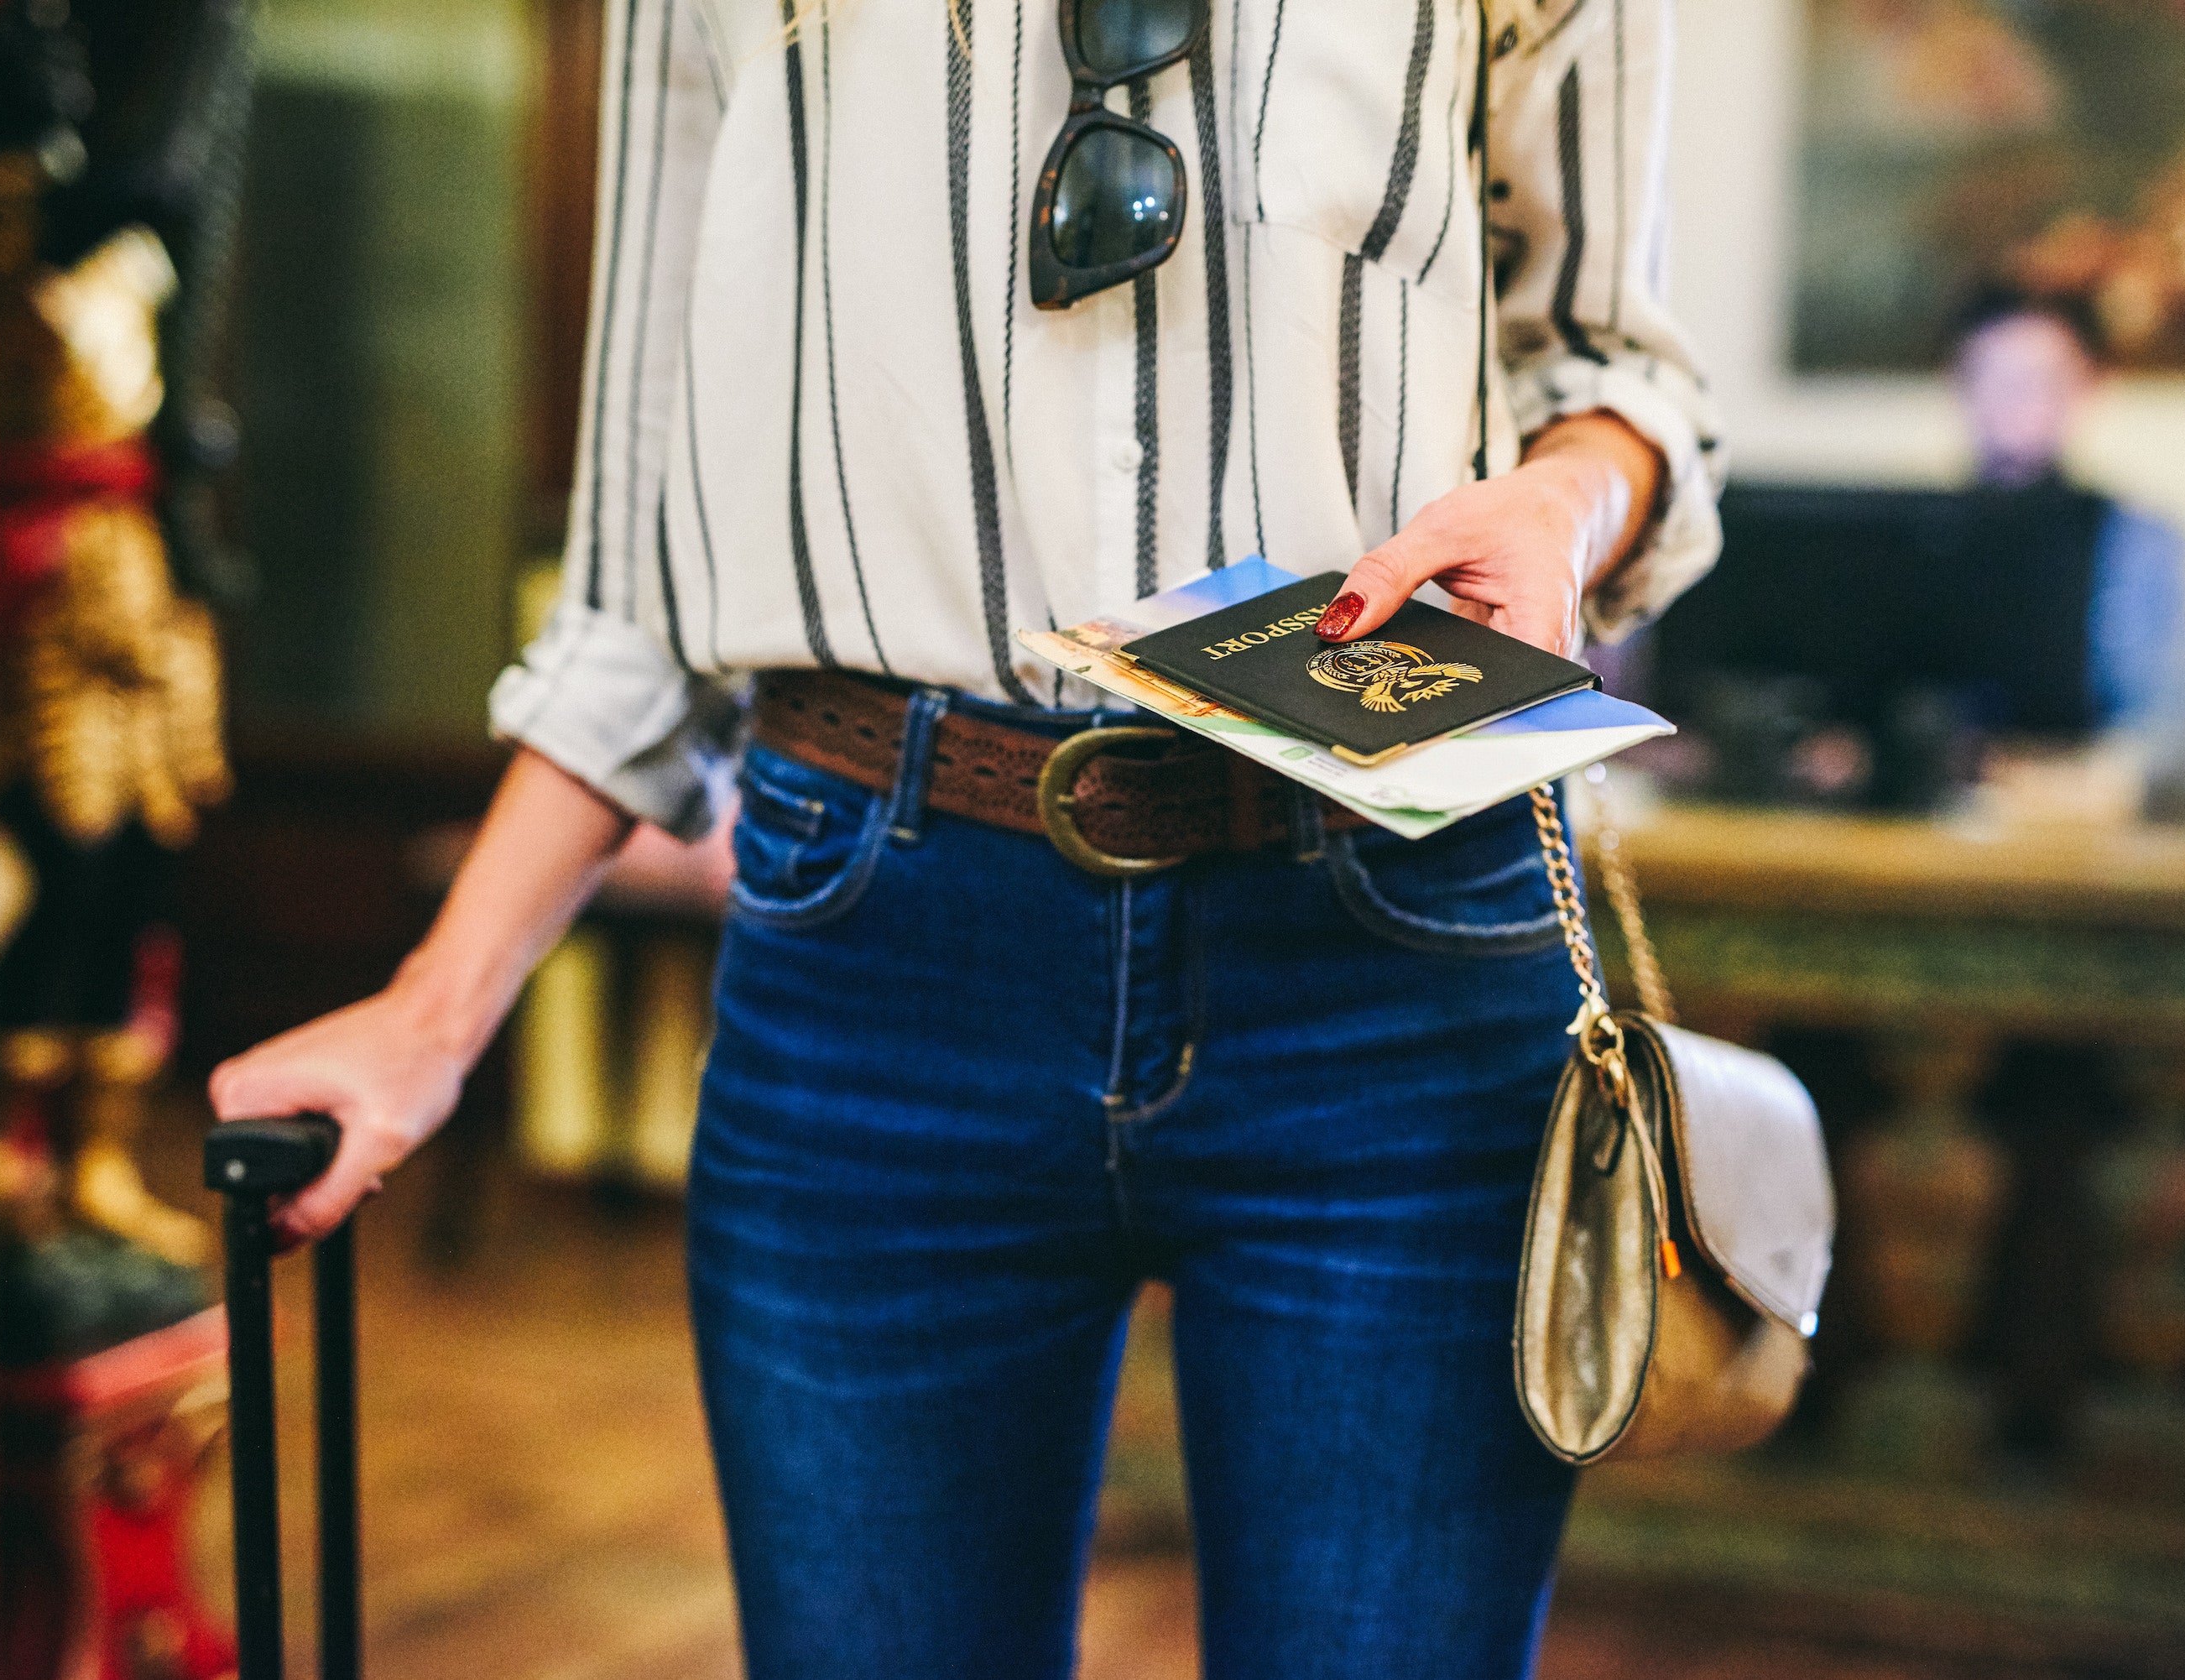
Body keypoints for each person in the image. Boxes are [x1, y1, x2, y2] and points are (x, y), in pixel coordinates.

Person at [209, 3, 1720, 1675]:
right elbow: (639, 570)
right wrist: (431, 1017)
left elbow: (1617, 373)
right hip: (880, 955)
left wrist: (1562, 506)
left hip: (1396, 940)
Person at [1949, 282, 2185, 812]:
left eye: (2037, 383)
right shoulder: (1915, 534)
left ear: (2087, 388)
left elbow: (2169, 741)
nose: (2011, 403)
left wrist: (2054, 781)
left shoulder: (2140, 545)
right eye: (1991, 380)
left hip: (2075, 836)